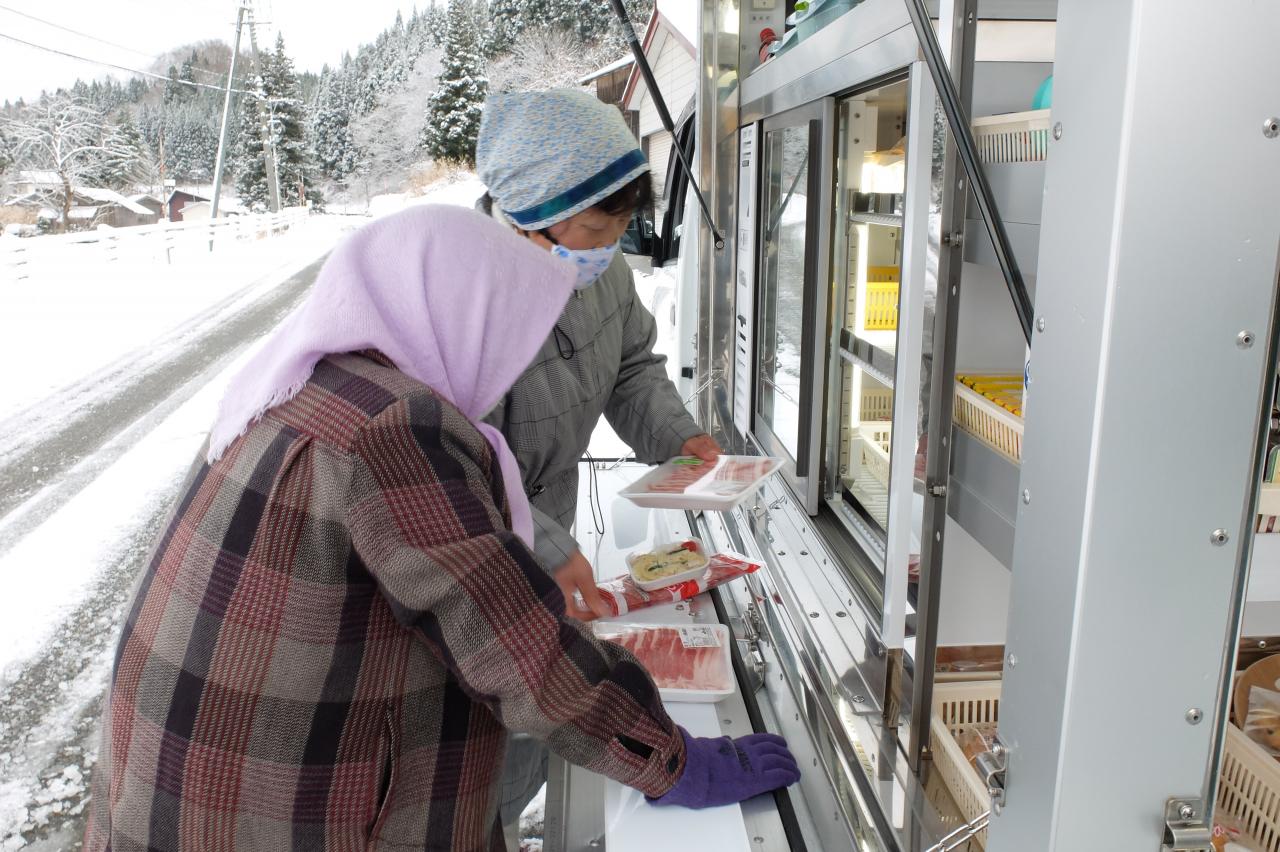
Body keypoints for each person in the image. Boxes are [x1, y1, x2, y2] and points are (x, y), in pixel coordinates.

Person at [82, 206, 799, 852]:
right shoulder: (393, 428)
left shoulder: (311, 386)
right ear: (460, 316)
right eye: (509, 332)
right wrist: (670, 760)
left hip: (178, 791)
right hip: (273, 806)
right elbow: (521, 653)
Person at [473, 89, 727, 842]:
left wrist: (680, 439)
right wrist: (544, 545)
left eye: (622, 225)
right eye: (596, 224)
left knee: (530, 734)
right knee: (471, 746)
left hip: (549, 537)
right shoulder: (466, 293)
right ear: (533, 208)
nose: (610, 243)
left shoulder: (601, 273)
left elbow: (630, 368)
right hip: (477, 545)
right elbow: (455, 464)